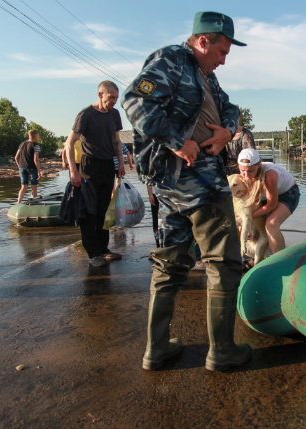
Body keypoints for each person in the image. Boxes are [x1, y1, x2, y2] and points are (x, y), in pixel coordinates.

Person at [121, 11, 251, 372]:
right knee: (223, 263)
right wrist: (180, 142)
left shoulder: (205, 75)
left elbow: (230, 107)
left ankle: (158, 349)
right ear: (203, 41)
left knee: (171, 264)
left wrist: (226, 130)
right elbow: (134, 101)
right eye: (222, 50)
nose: (224, 59)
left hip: (175, 187)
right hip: (196, 183)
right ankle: (222, 351)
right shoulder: (172, 60)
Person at [64, 80, 125, 268]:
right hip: (88, 167)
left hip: (108, 165)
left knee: (105, 210)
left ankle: (103, 249)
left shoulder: (115, 114)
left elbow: (116, 141)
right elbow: (69, 143)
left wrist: (121, 163)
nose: (114, 101)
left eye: (116, 97)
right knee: (89, 211)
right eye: (111, 97)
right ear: (100, 94)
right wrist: (73, 171)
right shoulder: (86, 115)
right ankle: (93, 253)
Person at [237, 148, 300, 255]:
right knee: (241, 223)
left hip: (287, 194)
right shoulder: (241, 176)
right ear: (238, 166)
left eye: (250, 171)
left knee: (271, 224)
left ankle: (279, 260)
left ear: (259, 164)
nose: (246, 176)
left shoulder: (269, 175)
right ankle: (251, 256)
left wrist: (249, 216)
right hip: (265, 197)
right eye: (242, 171)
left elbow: (271, 205)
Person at [15, 129, 41, 204]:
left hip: (22, 167)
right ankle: (34, 203)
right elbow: (36, 159)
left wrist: (19, 166)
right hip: (32, 167)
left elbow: (16, 157)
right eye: (38, 136)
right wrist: (39, 171)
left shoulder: (22, 144)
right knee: (34, 187)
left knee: (23, 187)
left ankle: (18, 203)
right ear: (35, 136)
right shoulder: (36, 145)